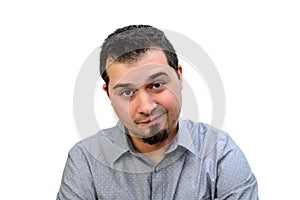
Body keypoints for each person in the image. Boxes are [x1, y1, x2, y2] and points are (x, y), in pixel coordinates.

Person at [57, 25, 258, 199]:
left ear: (179, 77)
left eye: (157, 85)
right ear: (109, 94)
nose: (146, 107)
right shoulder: (85, 160)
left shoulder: (220, 153)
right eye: (127, 92)